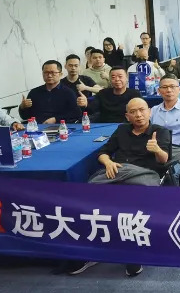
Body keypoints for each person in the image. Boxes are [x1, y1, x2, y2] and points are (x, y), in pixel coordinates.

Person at [70, 98, 170, 277]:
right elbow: (103, 152)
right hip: (117, 174)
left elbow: (164, 160)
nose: (138, 115)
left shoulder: (160, 132)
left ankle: (133, 253)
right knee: (87, 201)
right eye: (133, 112)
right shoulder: (122, 130)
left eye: (142, 110)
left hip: (144, 176)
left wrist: (157, 150)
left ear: (149, 112)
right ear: (127, 116)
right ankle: (89, 252)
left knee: (130, 208)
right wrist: (108, 162)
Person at [20, 60, 86, 124]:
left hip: (61, 127)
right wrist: (22, 107)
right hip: (38, 128)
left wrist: (56, 119)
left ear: (60, 74)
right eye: (46, 72)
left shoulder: (68, 93)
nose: (49, 75)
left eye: (53, 73)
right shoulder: (34, 92)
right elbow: (25, 116)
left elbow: (76, 114)